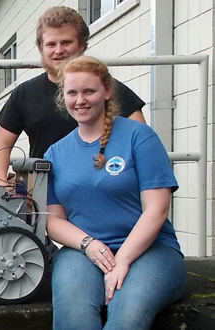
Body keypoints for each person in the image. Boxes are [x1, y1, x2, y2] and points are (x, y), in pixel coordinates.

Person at [44, 56, 185, 329]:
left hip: (152, 251)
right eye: (72, 92)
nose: (80, 100)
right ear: (64, 96)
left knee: (126, 315)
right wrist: (89, 244)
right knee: (74, 315)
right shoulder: (56, 152)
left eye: (89, 91)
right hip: (83, 252)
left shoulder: (139, 136)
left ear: (107, 91)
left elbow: (157, 209)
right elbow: (53, 220)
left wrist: (121, 261)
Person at [0, 6, 146, 188]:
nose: (58, 50)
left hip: (101, 189)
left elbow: (141, 140)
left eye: (66, 42)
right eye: (51, 44)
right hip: (44, 193)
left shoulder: (108, 88)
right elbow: (1, 144)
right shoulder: (24, 93)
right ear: (41, 49)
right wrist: (2, 185)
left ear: (82, 45)